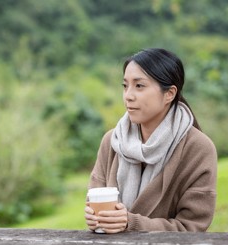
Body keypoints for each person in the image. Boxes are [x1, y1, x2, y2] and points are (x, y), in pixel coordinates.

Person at [85, 48, 217, 233]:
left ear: (169, 93)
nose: (128, 96)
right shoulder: (112, 141)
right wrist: (95, 218)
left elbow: (191, 227)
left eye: (139, 86)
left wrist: (131, 223)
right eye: (125, 86)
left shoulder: (198, 148)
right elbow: (94, 201)